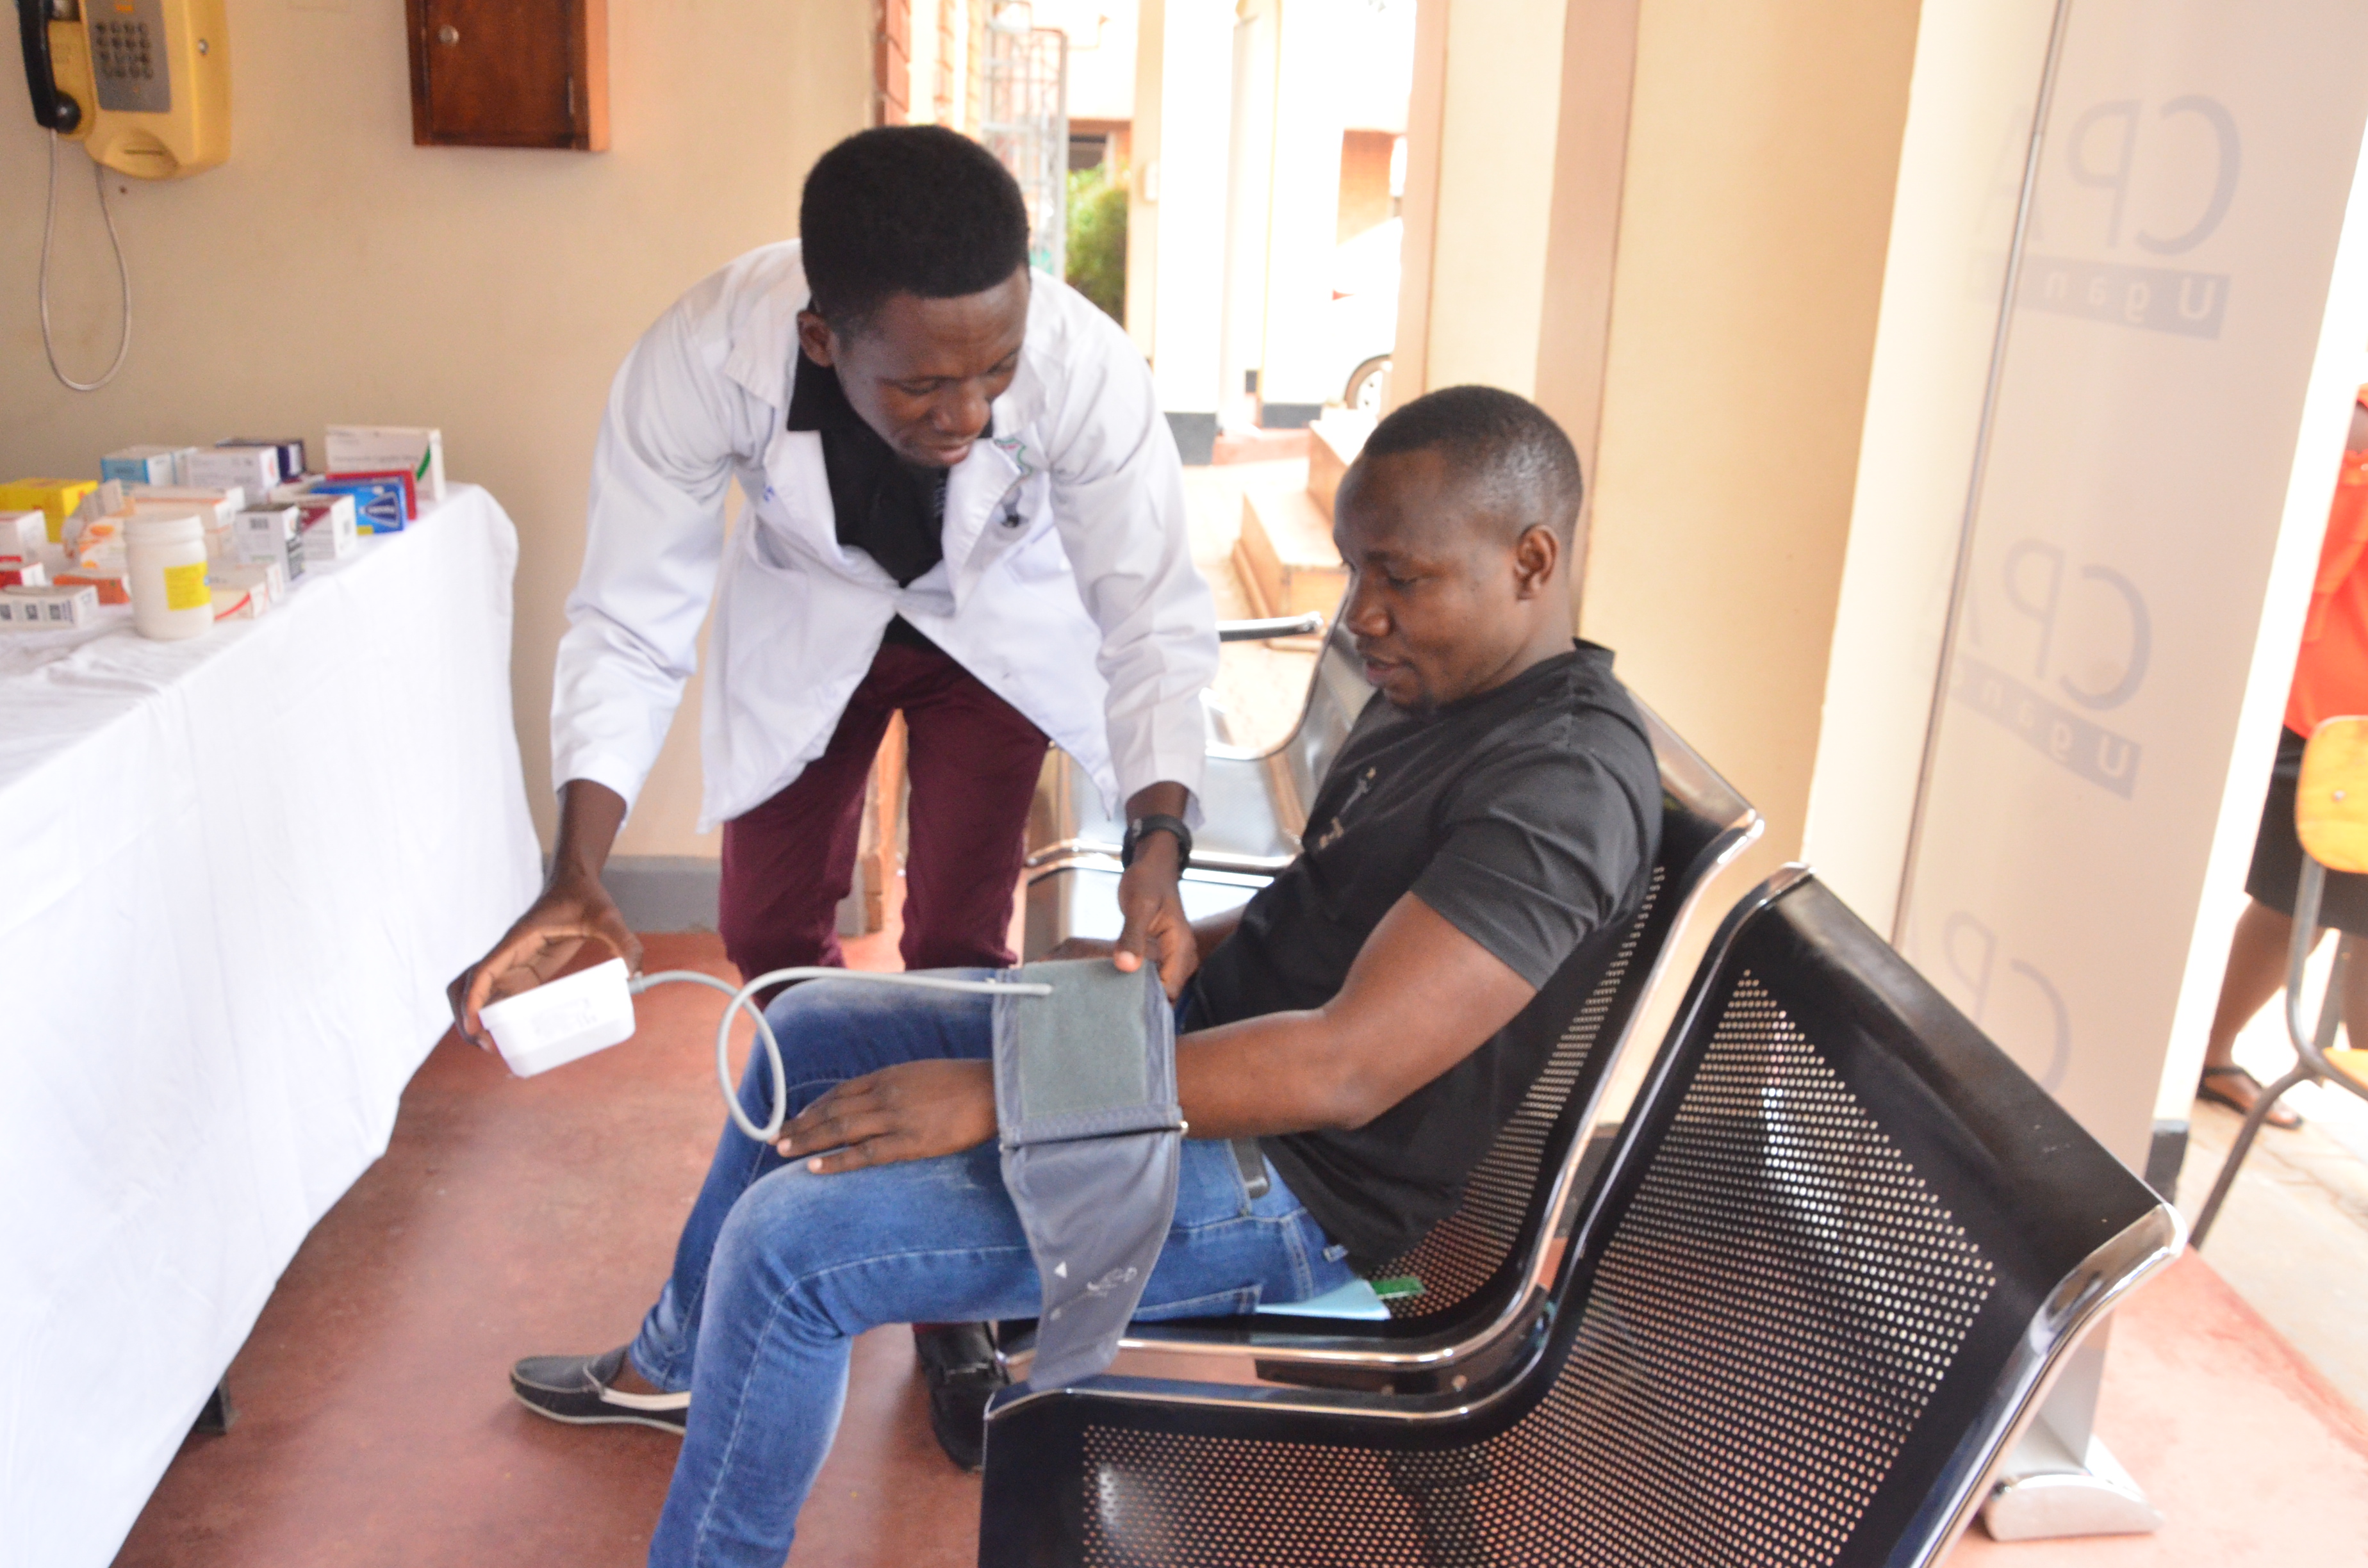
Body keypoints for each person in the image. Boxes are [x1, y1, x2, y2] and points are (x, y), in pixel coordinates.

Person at [506, 386, 1663, 1567]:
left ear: (1531, 560)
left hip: (1298, 1186)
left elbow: (1347, 1063)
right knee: (810, 1028)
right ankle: (685, 1364)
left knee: (793, 1246)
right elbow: (1330, 917)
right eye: (1355, 569)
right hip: (1196, 1058)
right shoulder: (1453, 689)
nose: (1360, 614)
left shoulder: (1562, 781)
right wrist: (1166, 952)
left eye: (1400, 579)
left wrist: (1008, 1097)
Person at [448, 125, 1217, 1049]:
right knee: (766, 932)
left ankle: (936, 1141)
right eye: (924, 384)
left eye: (997, 371)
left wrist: (1157, 851)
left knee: (960, 943)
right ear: (819, 339)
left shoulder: (1086, 368)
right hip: (805, 621)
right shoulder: (701, 357)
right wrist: (576, 871)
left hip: (994, 637)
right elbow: (627, 622)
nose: (969, 414)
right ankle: (818, 1080)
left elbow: (1154, 624)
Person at [2198, 388, 2368, 1129]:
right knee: (2304, 905)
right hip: (2326, 707)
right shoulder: (2351, 417)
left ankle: (2211, 1052)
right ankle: (2210, 1052)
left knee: (2315, 911)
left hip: (2334, 710)